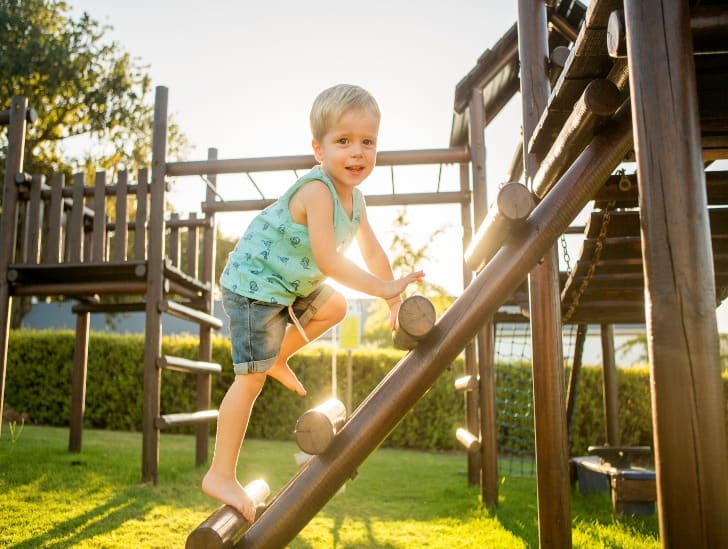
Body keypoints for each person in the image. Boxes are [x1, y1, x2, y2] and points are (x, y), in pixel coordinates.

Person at [201, 84, 424, 522]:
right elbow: (328, 259)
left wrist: (392, 295)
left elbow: (374, 254)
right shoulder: (319, 191)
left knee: (335, 306)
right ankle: (220, 474)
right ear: (318, 149)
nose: (356, 152)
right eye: (343, 141)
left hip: (287, 286)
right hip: (254, 285)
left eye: (368, 142)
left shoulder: (356, 201)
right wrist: (378, 289)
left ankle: (279, 355)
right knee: (249, 382)